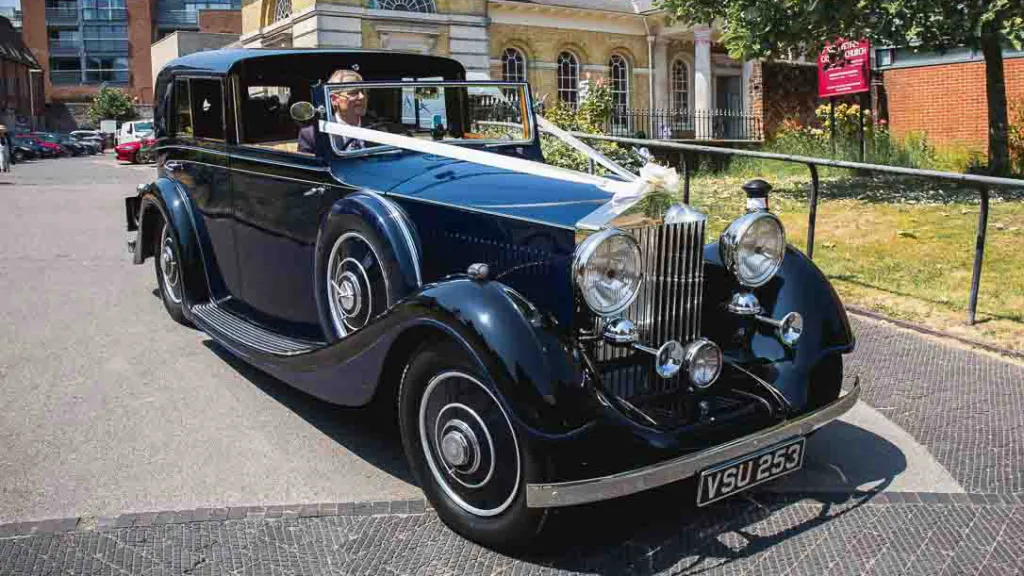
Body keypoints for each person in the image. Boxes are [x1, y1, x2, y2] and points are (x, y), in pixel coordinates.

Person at [298, 69, 371, 153]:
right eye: (354, 92)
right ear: (334, 99)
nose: (362, 97)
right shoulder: (313, 134)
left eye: (363, 91)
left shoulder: (379, 129)